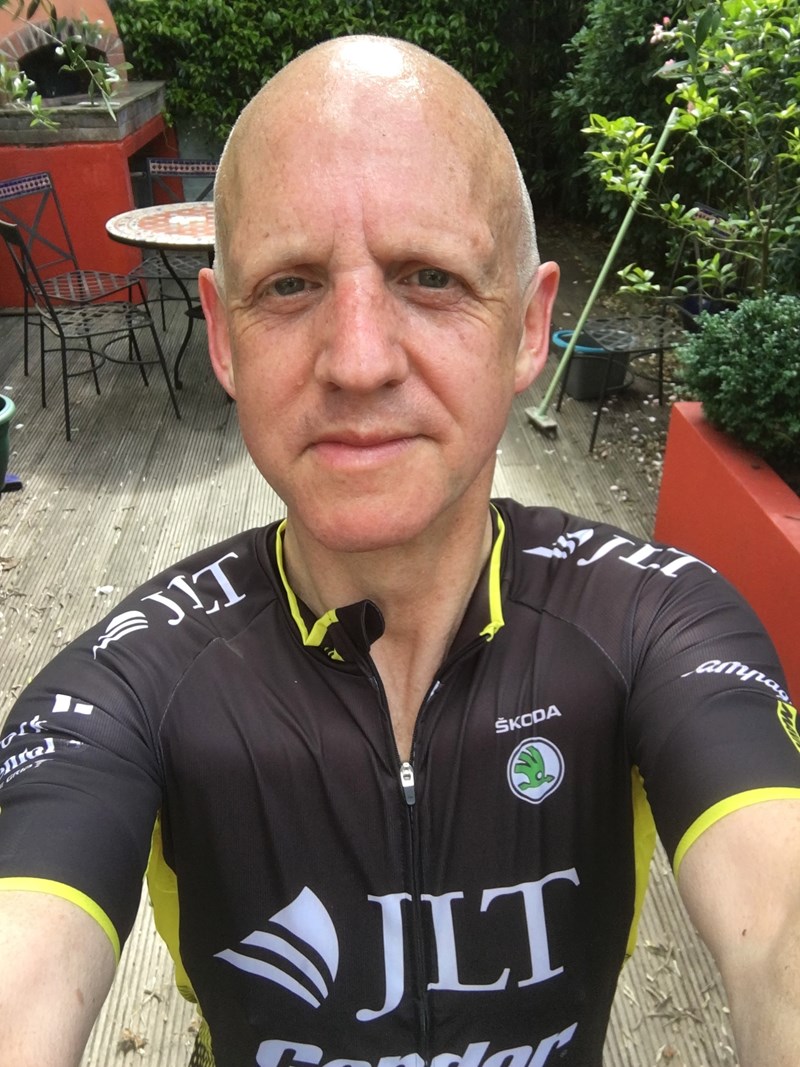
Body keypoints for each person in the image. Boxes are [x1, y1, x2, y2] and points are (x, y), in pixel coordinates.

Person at [1, 35, 799, 1067]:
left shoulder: (656, 622)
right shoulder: (129, 682)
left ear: (528, 328)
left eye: (429, 277)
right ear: (224, 337)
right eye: (290, 285)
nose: (359, 360)